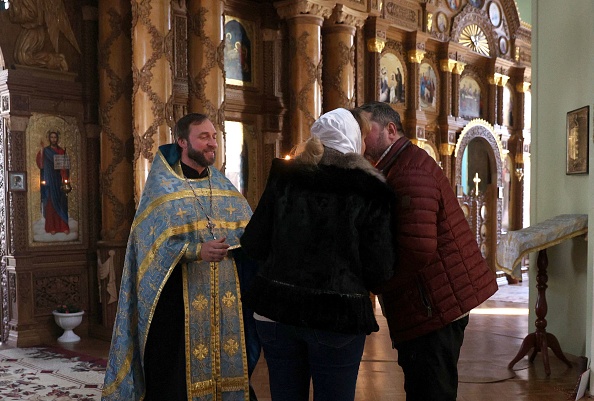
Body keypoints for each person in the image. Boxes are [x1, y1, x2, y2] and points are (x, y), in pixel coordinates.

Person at [240, 108, 396, 401]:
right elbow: (380, 270)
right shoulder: (370, 190)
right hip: (336, 318)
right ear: (353, 141)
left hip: (275, 312)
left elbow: (254, 244)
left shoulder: (283, 178)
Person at [102, 113, 260, 401]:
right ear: (183, 142)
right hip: (176, 305)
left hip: (225, 303)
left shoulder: (224, 186)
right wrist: (195, 250)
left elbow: (250, 236)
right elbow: (150, 246)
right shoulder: (163, 189)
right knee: (174, 377)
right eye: (204, 137)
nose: (213, 143)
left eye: (214, 136)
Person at [357, 101, 498, 401]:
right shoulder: (401, 165)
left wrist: (379, 283)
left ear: (390, 130)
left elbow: (418, 249)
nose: (361, 140)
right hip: (432, 302)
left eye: (365, 131)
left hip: (433, 305)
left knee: (431, 391)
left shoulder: (409, 172)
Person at [36, 130, 70, 235]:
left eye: (55, 137)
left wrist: (65, 171)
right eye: (52, 137)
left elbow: (66, 167)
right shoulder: (45, 151)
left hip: (59, 181)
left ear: (57, 139)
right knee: (50, 204)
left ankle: (63, 226)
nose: (54, 139)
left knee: (61, 203)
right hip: (49, 181)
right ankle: (52, 227)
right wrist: (41, 150)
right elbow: (41, 165)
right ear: (49, 139)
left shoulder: (61, 151)